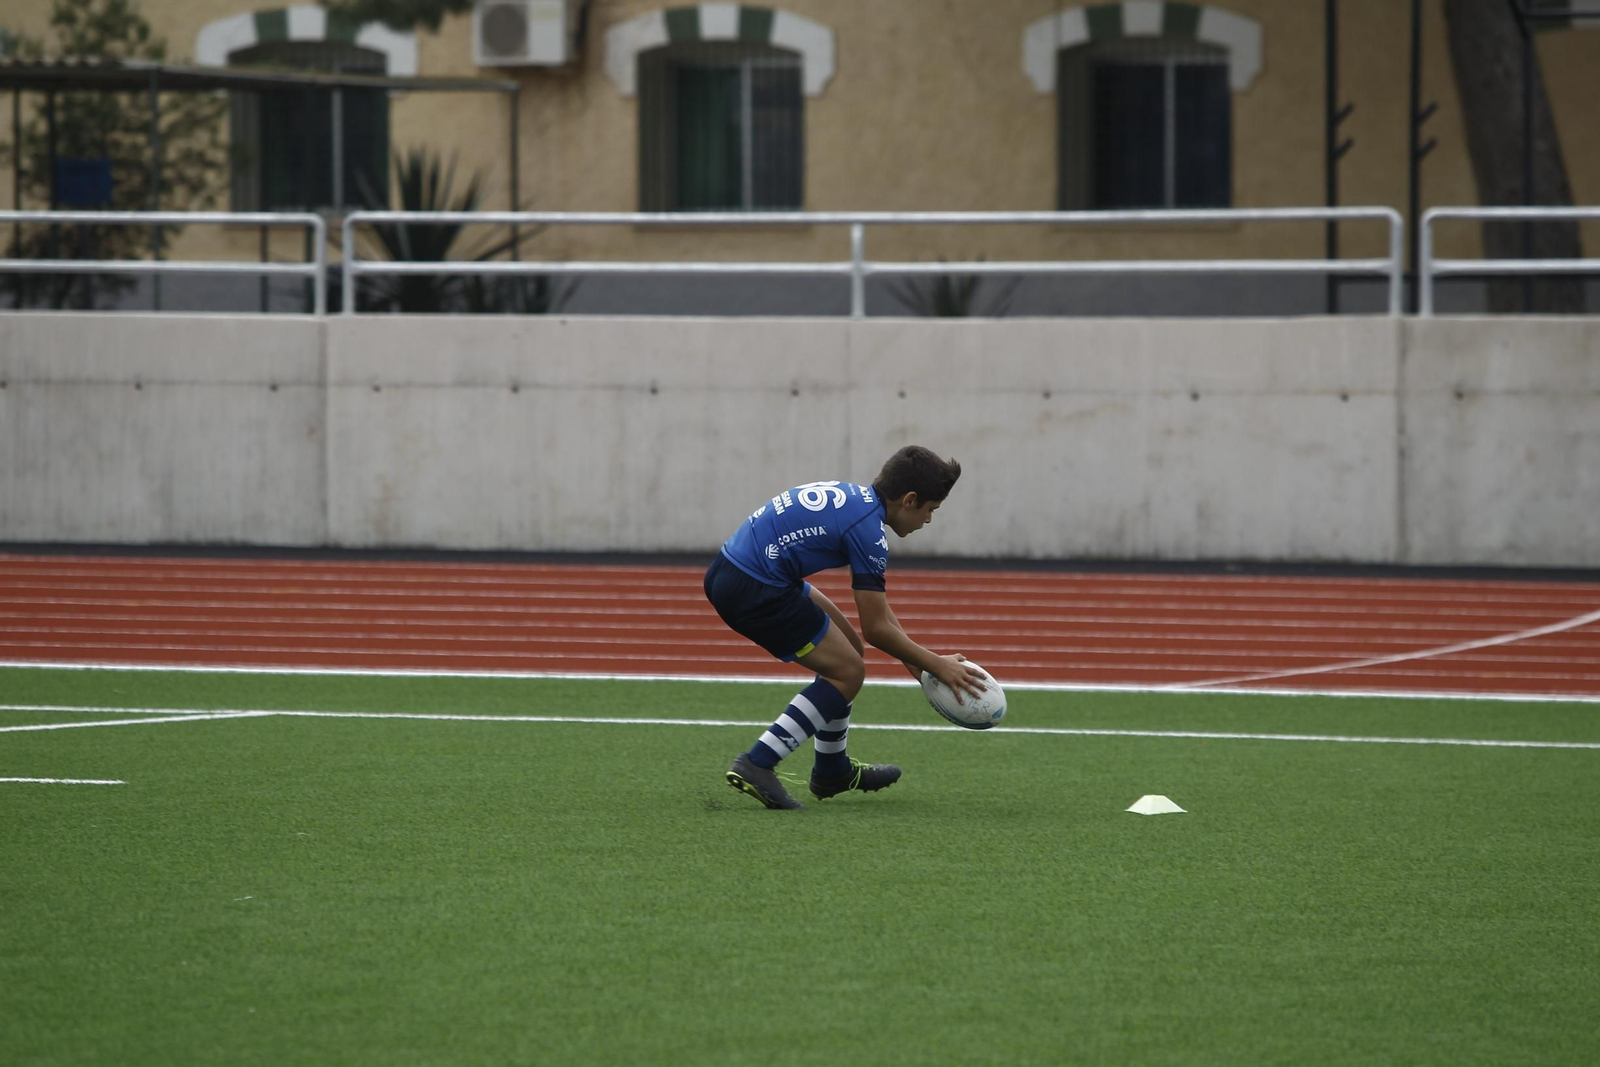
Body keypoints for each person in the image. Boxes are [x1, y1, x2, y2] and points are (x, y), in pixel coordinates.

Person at [704, 445, 989, 810]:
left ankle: (832, 771)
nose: (928, 521)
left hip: (737, 569)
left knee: (850, 652)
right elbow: (877, 628)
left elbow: (878, 619)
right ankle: (758, 762)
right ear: (909, 499)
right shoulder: (869, 533)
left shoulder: (857, 500)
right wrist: (937, 664)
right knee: (848, 672)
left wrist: (919, 667)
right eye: (930, 510)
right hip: (755, 586)